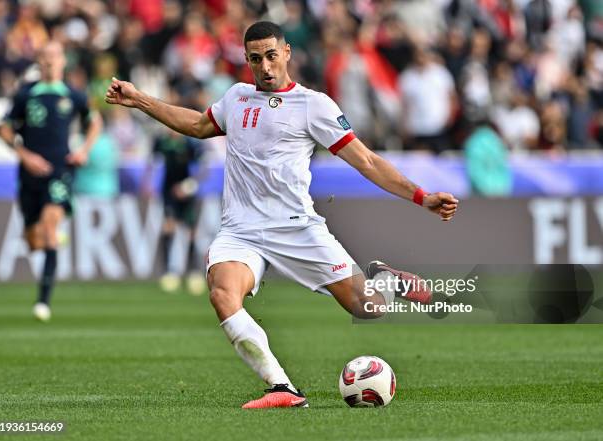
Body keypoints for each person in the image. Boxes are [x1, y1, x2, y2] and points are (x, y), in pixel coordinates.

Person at [105, 21, 458, 409]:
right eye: (256, 59)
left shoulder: (314, 105)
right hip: (240, 231)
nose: (266, 66)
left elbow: (368, 161)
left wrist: (421, 196)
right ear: (247, 60)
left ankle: (386, 280)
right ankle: (283, 388)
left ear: (287, 52)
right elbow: (198, 124)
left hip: (296, 229)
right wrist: (140, 100)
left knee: (367, 307)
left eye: (272, 56)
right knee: (223, 294)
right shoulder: (237, 97)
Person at [0, 41, 102, 322]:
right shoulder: (26, 94)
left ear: (62, 61)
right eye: (44, 57)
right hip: (29, 174)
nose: (50, 62)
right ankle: (50, 235)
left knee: (48, 228)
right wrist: (24, 155)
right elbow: (4, 128)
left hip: (60, 170)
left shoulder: (73, 95)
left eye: (54, 57)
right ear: (38, 61)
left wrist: (83, 151)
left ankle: (43, 302)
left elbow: (95, 122)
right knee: (34, 240)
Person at [144, 124, 207, 295]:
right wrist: (148, 183)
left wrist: (188, 186)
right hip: (169, 190)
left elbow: (203, 168)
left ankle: (193, 271)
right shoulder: (162, 142)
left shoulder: (190, 143)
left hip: (186, 191)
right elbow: (151, 162)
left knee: (191, 231)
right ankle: (169, 272)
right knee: (168, 226)